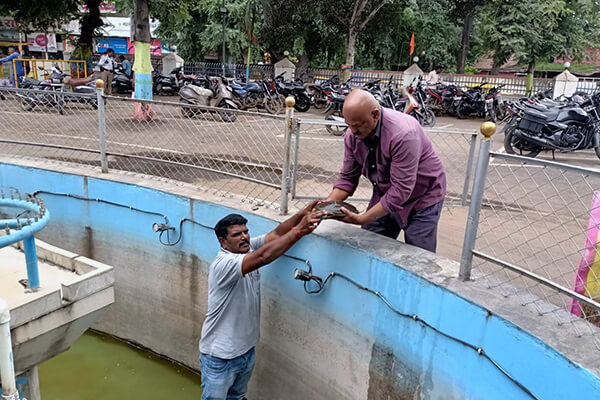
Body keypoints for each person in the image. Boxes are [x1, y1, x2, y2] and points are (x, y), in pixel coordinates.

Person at [199, 203, 324, 400]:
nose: (244, 237)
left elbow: (276, 235)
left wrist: (301, 215)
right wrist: (299, 230)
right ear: (223, 242)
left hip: (246, 351)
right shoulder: (223, 264)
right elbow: (265, 256)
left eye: (246, 232)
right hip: (220, 356)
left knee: (237, 397)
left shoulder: (246, 249)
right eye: (237, 235)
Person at [326, 89, 446, 253]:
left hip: (422, 197)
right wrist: (326, 206)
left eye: (357, 126)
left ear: (375, 115)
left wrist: (360, 218)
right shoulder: (352, 135)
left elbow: (401, 191)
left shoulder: (403, 134)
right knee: (368, 245)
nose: (352, 131)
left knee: (418, 259)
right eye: (349, 125)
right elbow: (348, 178)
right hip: (386, 192)